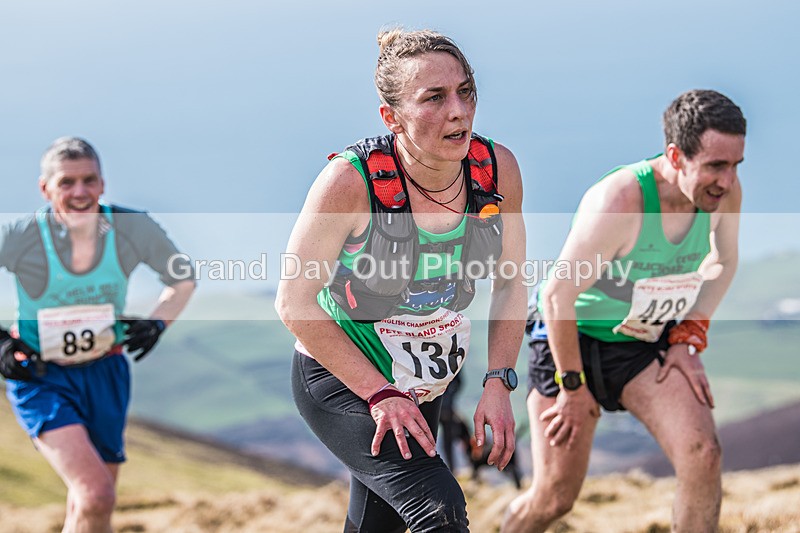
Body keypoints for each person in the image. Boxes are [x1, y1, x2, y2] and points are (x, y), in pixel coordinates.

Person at [276, 28, 527, 532]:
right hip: (346, 381)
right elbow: (294, 302)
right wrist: (379, 394)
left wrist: (498, 382)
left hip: (424, 385)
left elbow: (511, 284)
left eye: (465, 90)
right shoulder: (350, 183)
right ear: (392, 117)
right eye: (433, 98)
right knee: (440, 508)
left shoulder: (495, 170)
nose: (458, 110)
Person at [502, 89, 746, 533]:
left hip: (641, 341)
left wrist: (689, 336)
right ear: (675, 155)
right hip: (568, 341)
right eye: (715, 166)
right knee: (555, 497)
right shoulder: (619, 202)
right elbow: (558, 296)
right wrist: (573, 388)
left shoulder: (722, 195)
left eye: (735, 166)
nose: (727, 182)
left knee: (703, 454)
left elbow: (724, 262)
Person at [0, 137, 195, 533]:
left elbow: (182, 278)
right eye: (67, 183)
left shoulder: (130, 228)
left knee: (92, 506)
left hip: (107, 372)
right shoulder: (21, 236)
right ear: (45, 188)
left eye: (89, 180)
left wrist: (157, 323)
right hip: (41, 377)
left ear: (103, 183)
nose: (80, 192)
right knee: (96, 494)